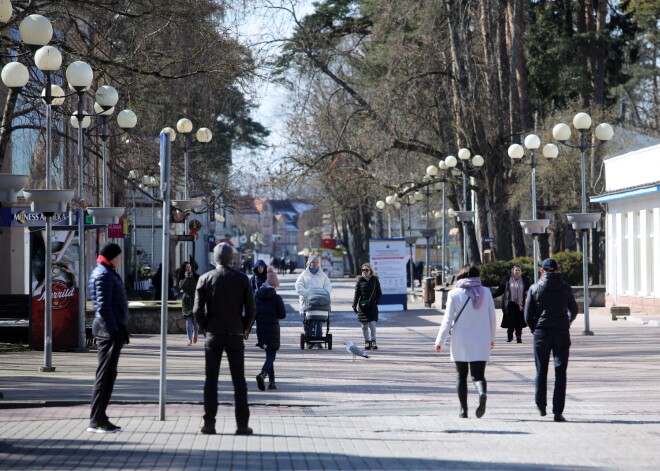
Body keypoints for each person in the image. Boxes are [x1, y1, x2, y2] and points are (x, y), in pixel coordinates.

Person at [194, 243, 256, 436]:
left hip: (213, 334)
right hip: (235, 334)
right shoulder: (241, 279)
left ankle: (209, 423)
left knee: (211, 380)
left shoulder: (205, 278)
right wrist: (245, 327)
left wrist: (204, 327)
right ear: (231, 259)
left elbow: (197, 310)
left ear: (215, 258)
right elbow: (251, 309)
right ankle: (242, 425)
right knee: (239, 381)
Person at [434, 264, 496, 419]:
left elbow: (447, 320)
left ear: (461, 276)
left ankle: (463, 410)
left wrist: (440, 340)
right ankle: (481, 393)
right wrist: (492, 338)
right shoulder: (486, 292)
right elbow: (492, 318)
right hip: (481, 338)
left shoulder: (454, 293)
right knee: (478, 375)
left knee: (461, 375)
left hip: (460, 339)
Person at [524, 258, 578, 423]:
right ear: (557, 270)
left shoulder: (535, 288)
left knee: (541, 370)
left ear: (542, 271)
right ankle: (558, 412)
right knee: (560, 372)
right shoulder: (565, 288)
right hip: (561, 333)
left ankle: (541, 406)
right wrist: (567, 321)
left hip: (541, 333)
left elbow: (527, 316)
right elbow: (574, 309)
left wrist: (535, 329)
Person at [87, 242, 130, 433]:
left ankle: (101, 417)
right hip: (107, 331)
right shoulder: (104, 274)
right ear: (113, 257)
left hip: (110, 329)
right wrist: (114, 330)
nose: (121, 259)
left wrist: (122, 329)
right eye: (119, 256)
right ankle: (97, 420)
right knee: (105, 376)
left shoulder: (105, 271)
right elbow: (103, 308)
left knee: (108, 374)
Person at [253, 268, 286, 391]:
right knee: (271, 355)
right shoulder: (277, 298)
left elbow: (252, 314)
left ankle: (272, 383)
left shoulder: (257, 296)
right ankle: (262, 374)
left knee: (268, 353)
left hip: (261, 329)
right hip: (273, 330)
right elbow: (282, 315)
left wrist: (247, 330)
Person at [492, 265, 531, 343]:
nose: (517, 272)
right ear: (512, 271)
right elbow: (500, 291)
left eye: (519, 270)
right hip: (509, 303)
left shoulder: (525, 279)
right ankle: (509, 336)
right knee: (510, 321)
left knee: (519, 321)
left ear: (521, 271)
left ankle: (519, 337)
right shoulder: (507, 279)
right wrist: (490, 296)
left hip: (520, 304)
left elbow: (529, 290)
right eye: (516, 270)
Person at [351, 263, 383, 351]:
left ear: (370, 270)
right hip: (363, 307)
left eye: (366, 270)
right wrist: (354, 305)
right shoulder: (360, 281)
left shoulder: (375, 280)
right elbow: (356, 294)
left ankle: (373, 341)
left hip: (372, 306)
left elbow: (379, 293)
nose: (365, 272)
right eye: (363, 270)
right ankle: (367, 342)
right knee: (364, 326)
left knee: (372, 325)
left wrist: (377, 301)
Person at [177, 261, 199, 346]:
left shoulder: (196, 277)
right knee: (188, 322)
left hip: (196, 301)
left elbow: (198, 287)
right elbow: (182, 287)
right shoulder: (182, 279)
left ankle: (196, 333)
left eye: (189, 267)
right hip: (187, 303)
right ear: (184, 269)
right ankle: (189, 339)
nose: (189, 268)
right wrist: (186, 278)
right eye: (187, 267)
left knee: (195, 322)